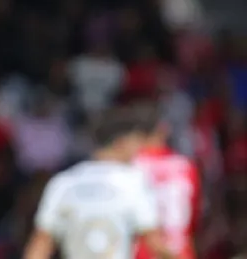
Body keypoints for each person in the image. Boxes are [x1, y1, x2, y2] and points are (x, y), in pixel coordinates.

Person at [24, 110, 175, 259]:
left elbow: (41, 244)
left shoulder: (63, 182)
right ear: (121, 143)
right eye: (136, 142)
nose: (138, 149)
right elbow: (154, 244)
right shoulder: (133, 182)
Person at [133, 110, 201, 259]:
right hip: (180, 250)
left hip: (143, 252)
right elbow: (193, 217)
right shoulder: (185, 166)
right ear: (164, 129)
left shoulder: (129, 167)